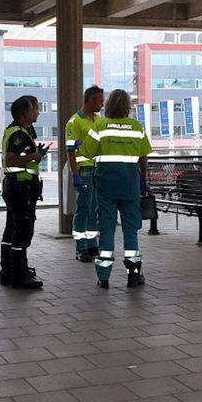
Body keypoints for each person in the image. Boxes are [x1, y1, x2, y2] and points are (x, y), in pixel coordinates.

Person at [79, 89, 152, 289]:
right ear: (127, 106)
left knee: (107, 229)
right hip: (130, 186)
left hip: (106, 187)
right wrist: (143, 180)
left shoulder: (100, 126)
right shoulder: (137, 127)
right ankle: (134, 275)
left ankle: (103, 276)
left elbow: (86, 153)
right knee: (131, 231)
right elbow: (143, 157)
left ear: (109, 105)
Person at [0, 95, 48, 289]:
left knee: (11, 230)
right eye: (35, 109)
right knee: (22, 232)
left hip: (16, 187)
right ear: (25, 113)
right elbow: (11, 160)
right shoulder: (18, 134)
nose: (37, 112)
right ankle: (19, 276)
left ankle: (9, 271)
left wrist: (34, 154)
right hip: (21, 188)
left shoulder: (19, 131)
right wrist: (35, 156)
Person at [65, 85, 104, 262]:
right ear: (90, 100)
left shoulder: (97, 120)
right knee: (83, 208)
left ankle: (91, 243)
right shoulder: (75, 122)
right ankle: (81, 247)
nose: (102, 105)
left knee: (94, 208)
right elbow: (70, 151)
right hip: (84, 170)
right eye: (100, 101)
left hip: (97, 169)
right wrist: (75, 174)